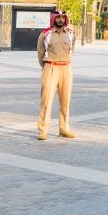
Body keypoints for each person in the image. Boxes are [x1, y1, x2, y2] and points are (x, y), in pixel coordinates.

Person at [36, 10, 76, 140]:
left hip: (66, 69)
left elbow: (72, 50)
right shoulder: (45, 34)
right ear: (53, 19)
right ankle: (43, 130)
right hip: (50, 67)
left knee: (65, 101)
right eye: (58, 18)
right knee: (46, 101)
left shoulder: (70, 34)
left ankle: (64, 128)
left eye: (62, 18)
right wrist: (46, 67)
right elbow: (40, 53)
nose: (60, 20)